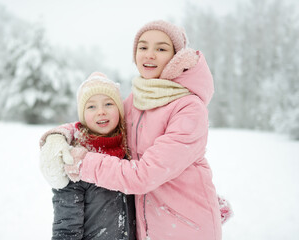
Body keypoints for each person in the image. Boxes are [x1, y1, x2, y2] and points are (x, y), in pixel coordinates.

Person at [41, 20, 233, 240]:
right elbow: (102, 119)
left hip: (185, 228)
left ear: (176, 57)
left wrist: (84, 162)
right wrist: (60, 136)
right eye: (143, 47)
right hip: (148, 227)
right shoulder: (138, 100)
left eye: (160, 48)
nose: (149, 55)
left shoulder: (189, 108)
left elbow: (144, 176)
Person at [39, 72, 136, 240]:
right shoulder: (74, 161)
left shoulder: (130, 151)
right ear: (82, 115)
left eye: (108, 104)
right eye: (91, 106)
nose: (101, 112)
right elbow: (66, 229)